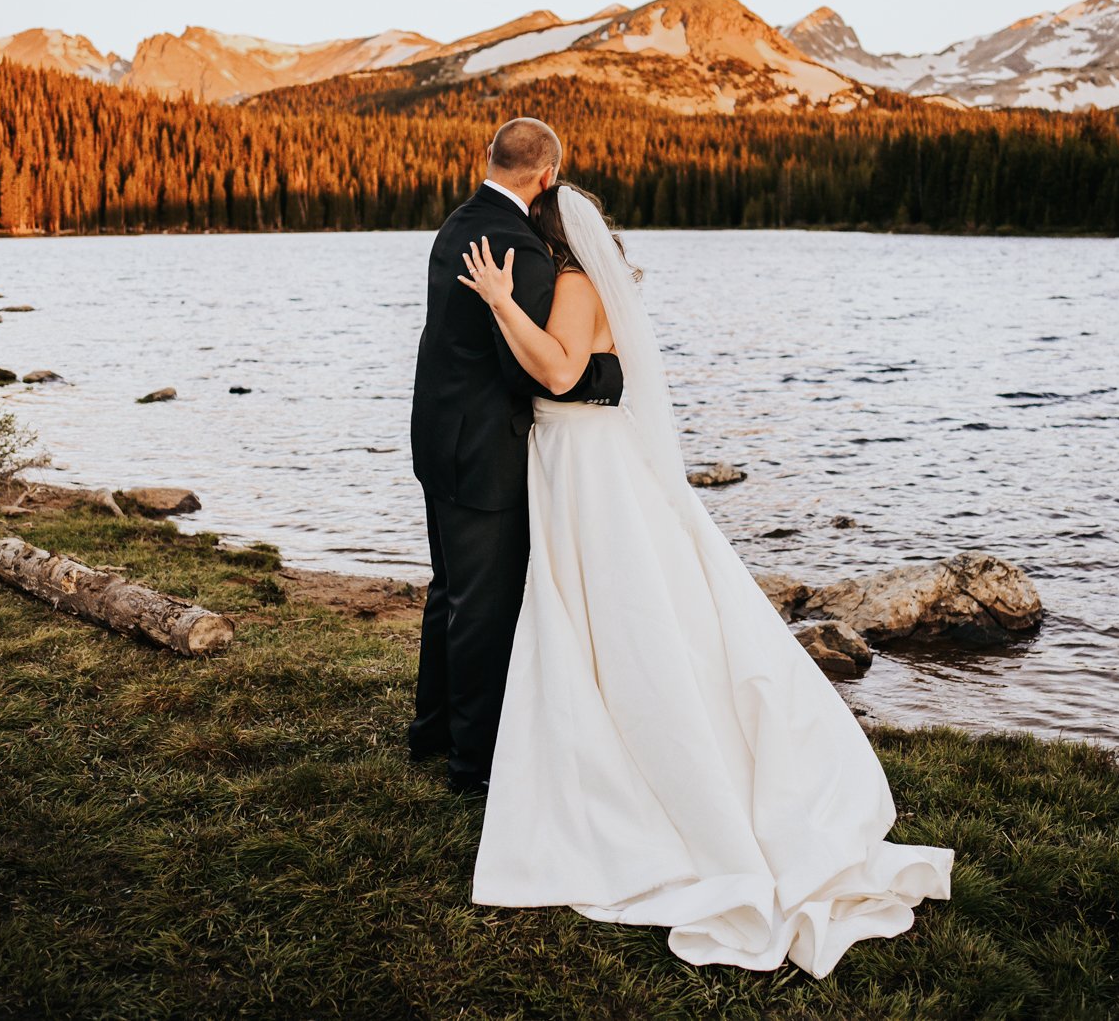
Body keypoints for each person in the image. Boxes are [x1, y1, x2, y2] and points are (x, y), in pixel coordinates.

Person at [452, 181, 954, 978]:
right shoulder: (585, 276)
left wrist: (501, 301)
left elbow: (558, 370)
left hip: (586, 465)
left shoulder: (575, 283)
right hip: (577, 457)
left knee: (619, 611)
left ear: (550, 239)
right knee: (604, 608)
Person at [407, 117, 622, 796]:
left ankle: (431, 730)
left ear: (488, 159)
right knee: (483, 610)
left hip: (438, 438)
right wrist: (610, 376)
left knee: (448, 594)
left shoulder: (455, 224)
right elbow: (535, 370)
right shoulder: (522, 251)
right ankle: (472, 767)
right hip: (485, 455)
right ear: (547, 176)